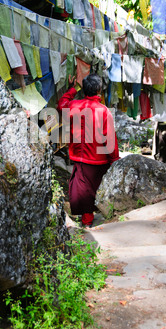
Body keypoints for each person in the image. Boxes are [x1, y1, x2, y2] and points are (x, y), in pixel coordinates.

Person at [57, 72, 119, 228]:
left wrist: (72, 89)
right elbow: (109, 137)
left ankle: (87, 222)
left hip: (79, 156)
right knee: (96, 190)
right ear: (99, 91)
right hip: (99, 158)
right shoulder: (104, 110)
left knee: (84, 191)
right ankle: (93, 220)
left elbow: (61, 104)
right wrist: (114, 160)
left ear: (83, 90)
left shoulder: (73, 105)